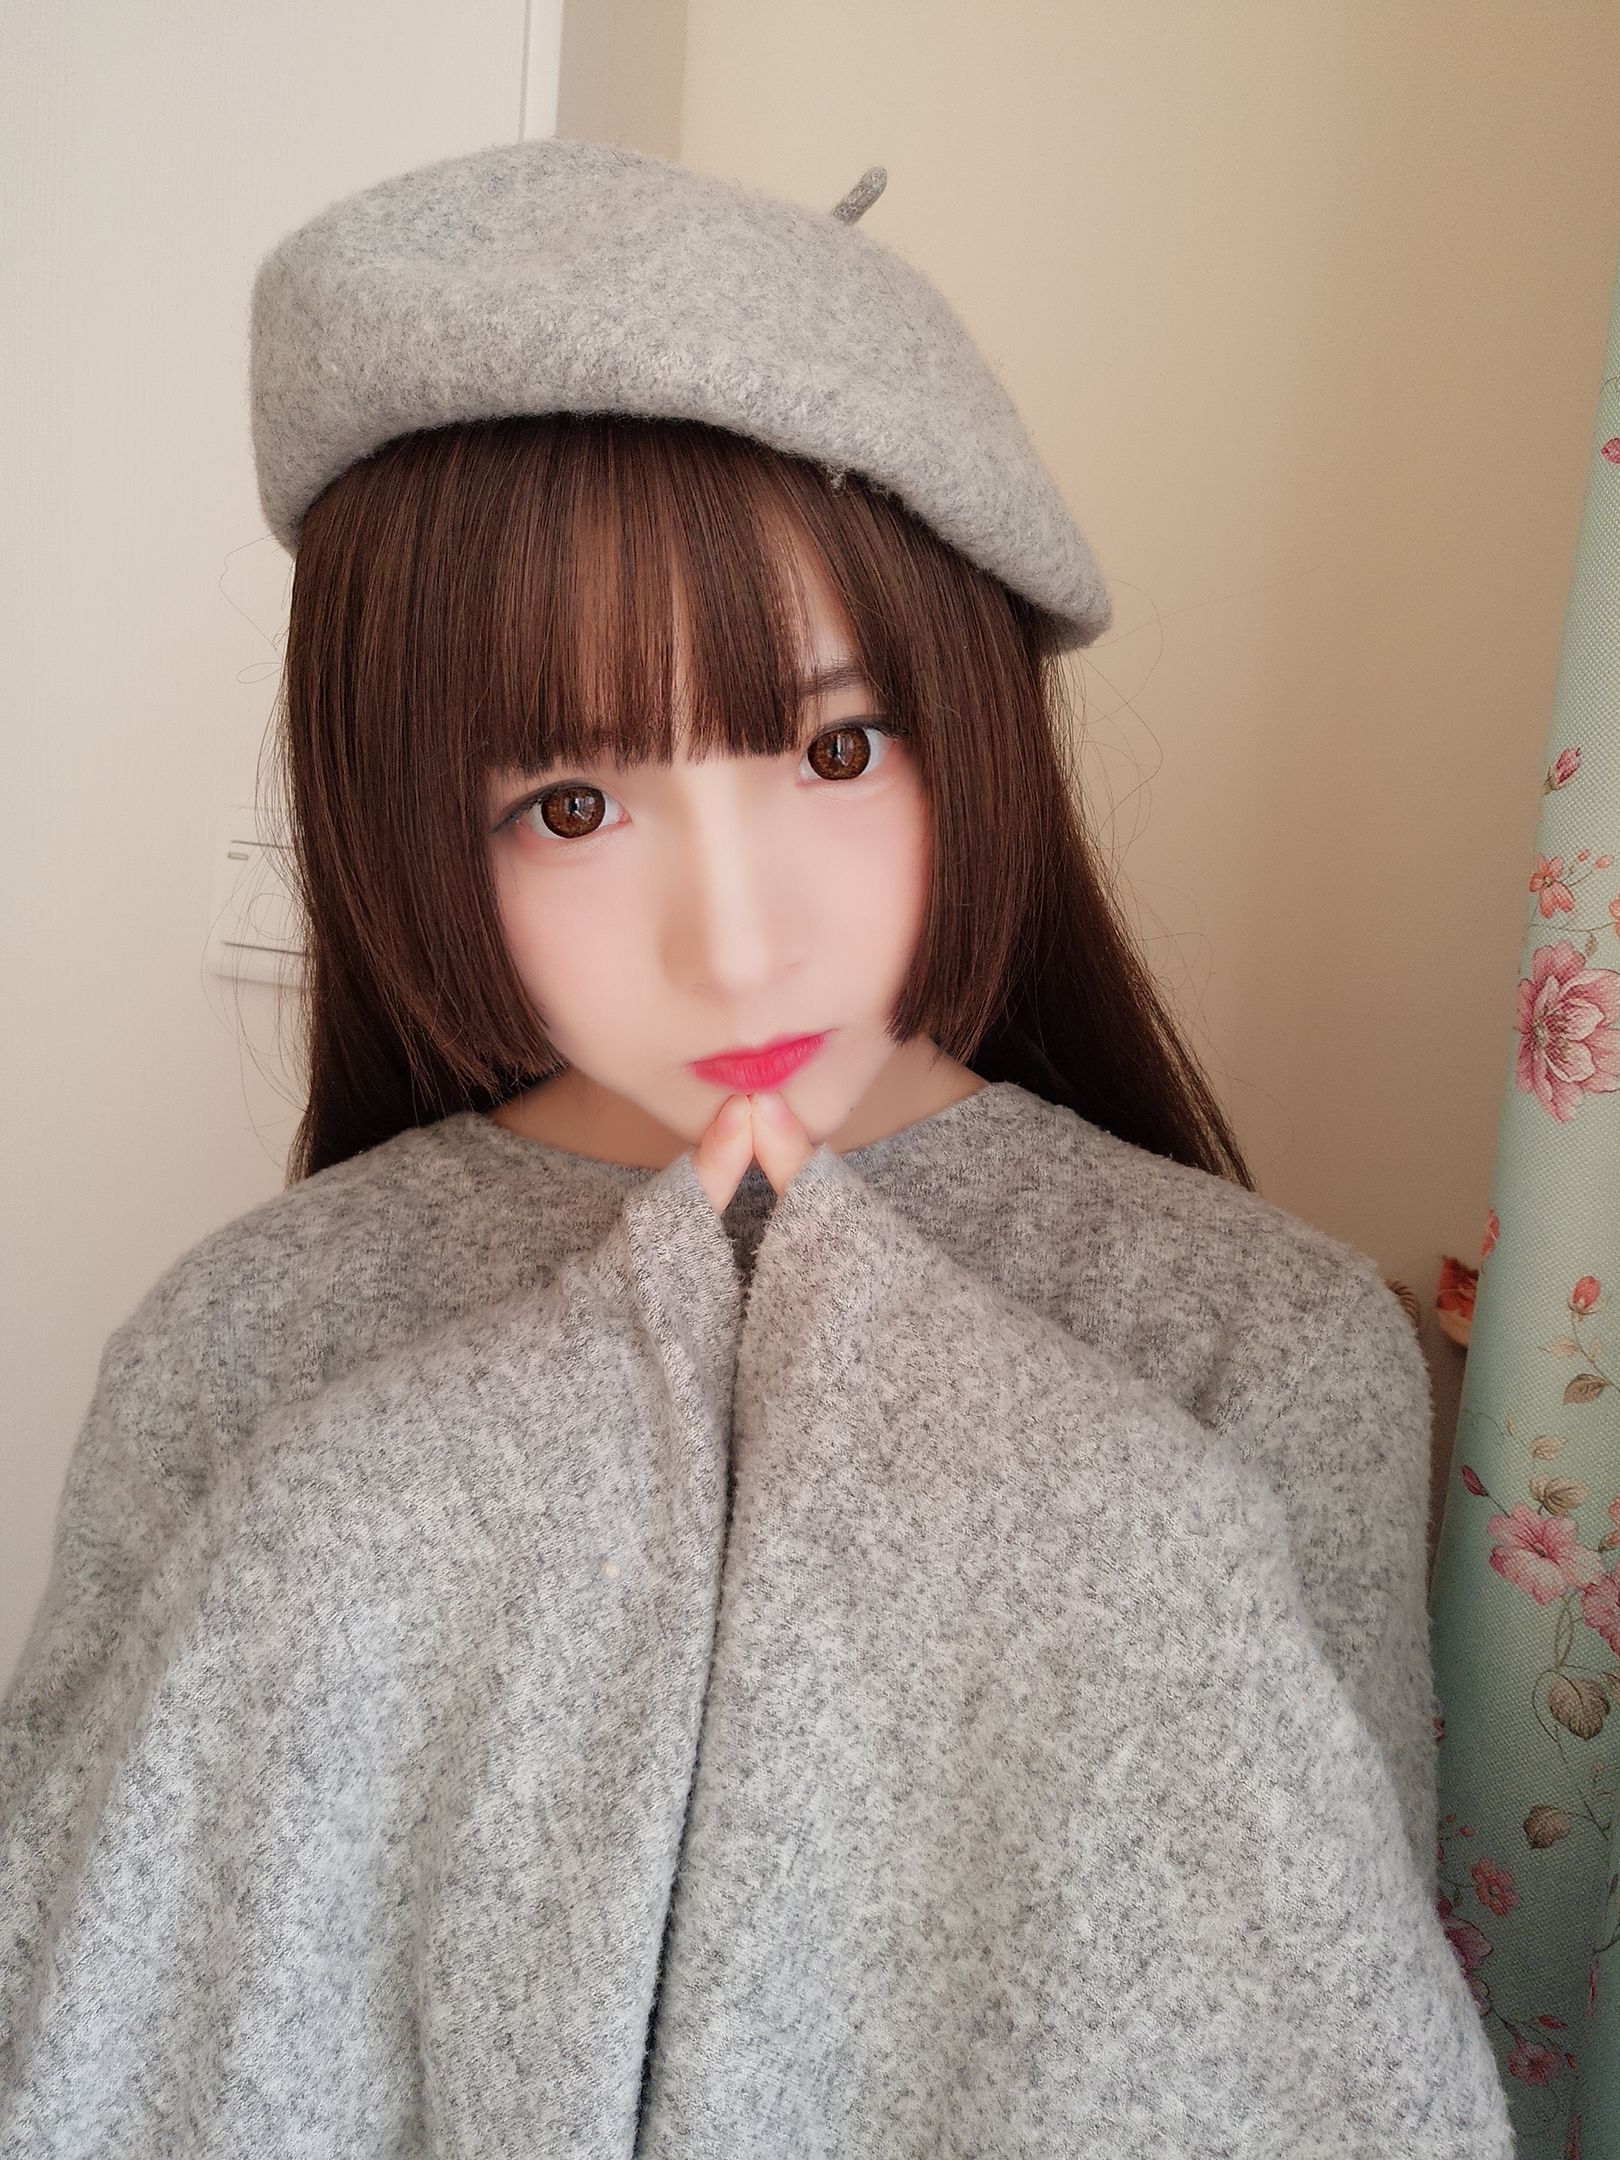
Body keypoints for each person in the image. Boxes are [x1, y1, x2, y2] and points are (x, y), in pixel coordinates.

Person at [0, 138, 1516, 2155]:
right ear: (402, 825)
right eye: (569, 804)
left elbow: (1322, 2049)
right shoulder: (245, 1348)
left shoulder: (1255, 1348)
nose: (733, 936)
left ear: (976, 728)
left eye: (832, 749)